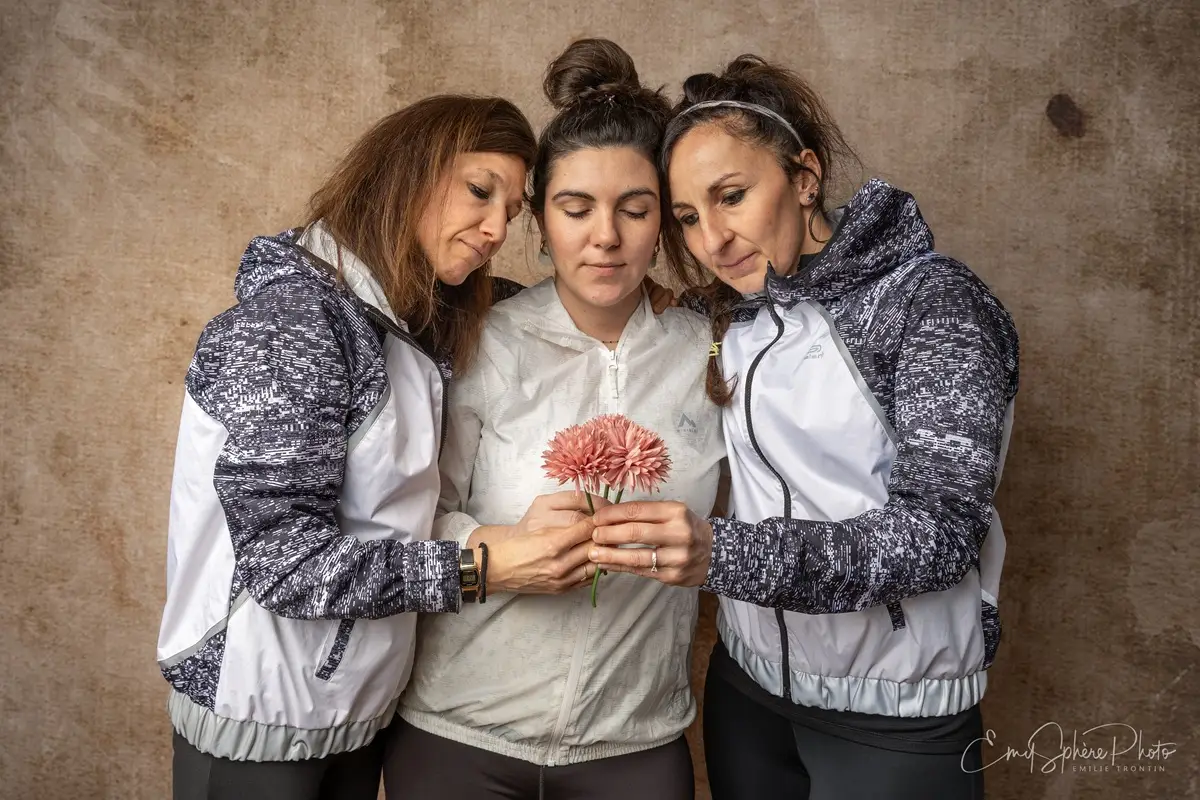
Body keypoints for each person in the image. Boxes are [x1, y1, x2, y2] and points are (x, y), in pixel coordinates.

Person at [589, 55, 1019, 800]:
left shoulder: (929, 302)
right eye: (688, 217)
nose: (714, 240)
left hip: (895, 713)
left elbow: (942, 534)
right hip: (746, 693)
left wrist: (722, 554)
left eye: (732, 196)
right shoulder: (730, 316)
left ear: (806, 176)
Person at [157, 95, 597, 800]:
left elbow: (549, 302)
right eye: (479, 191)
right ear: (408, 172)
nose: (495, 229)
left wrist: (660, 299)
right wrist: (481, 567)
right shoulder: (292, 324)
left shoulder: (408, 316)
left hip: (354, 719)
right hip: (257, 718)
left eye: (511, 212)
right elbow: (287, 566)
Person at [385, 39, 725, 800]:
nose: (606, 237)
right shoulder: (480, 339)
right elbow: (404, 520)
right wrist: (495, 547)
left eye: (634, 210)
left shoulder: (713, 348)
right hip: (458, 734)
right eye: (576, 209)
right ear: (537, 219)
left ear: (665, 222)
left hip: (635, 743)